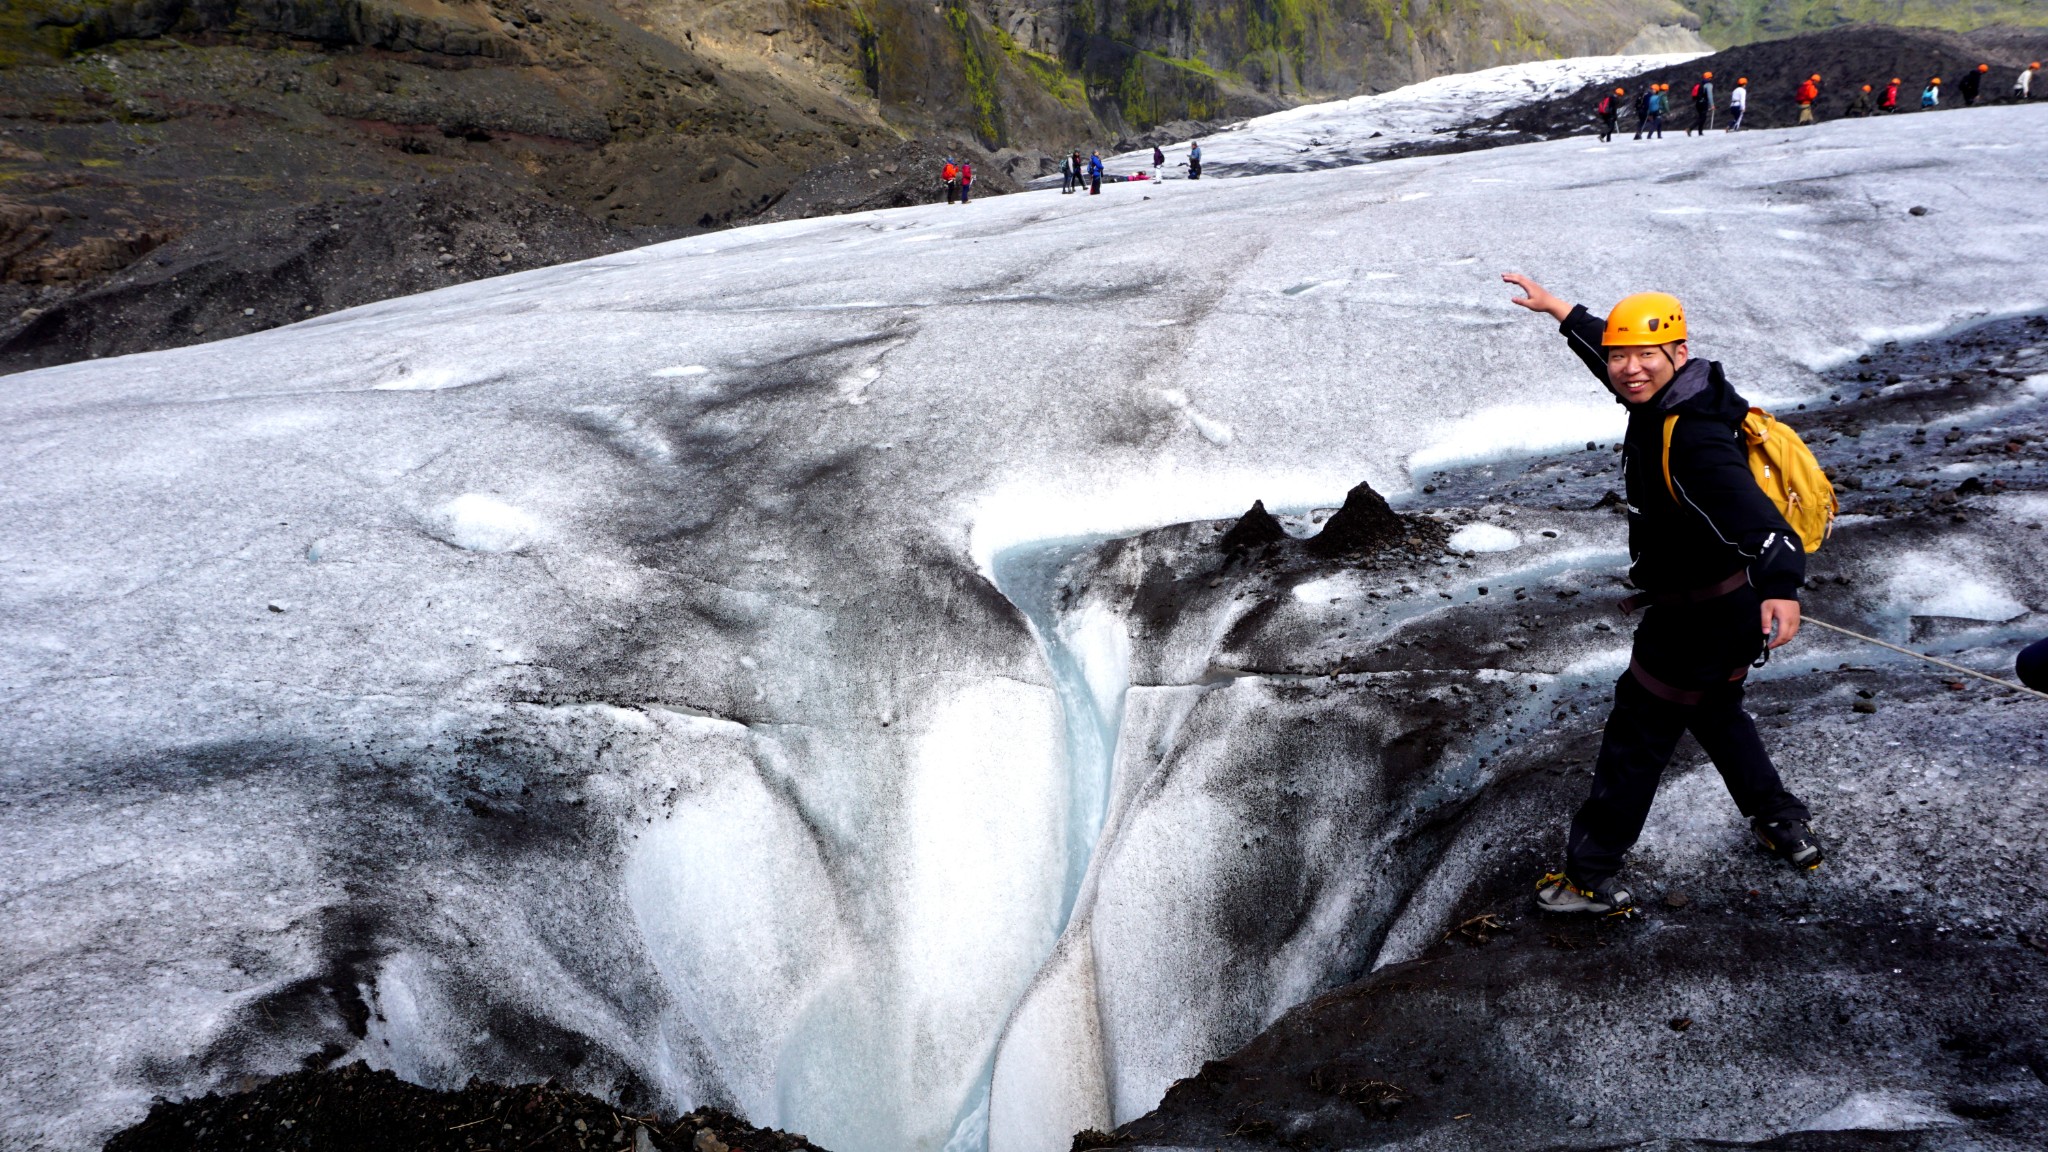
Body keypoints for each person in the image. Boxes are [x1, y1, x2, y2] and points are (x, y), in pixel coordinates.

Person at [1501, 273, 1820, 915]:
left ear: (1678, 351)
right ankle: (1782, 822)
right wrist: (1563, 311)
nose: (1628, 368)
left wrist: (1783, 587)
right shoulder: (1679, 394)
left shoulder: (1694, 439)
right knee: (1718, 710)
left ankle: (1589, 878)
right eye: (1621, 355)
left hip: (1698, 615)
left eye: (1645, 354)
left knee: (1638, 734)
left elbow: (1765, 529)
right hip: (1727, 609)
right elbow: (1613, 359)